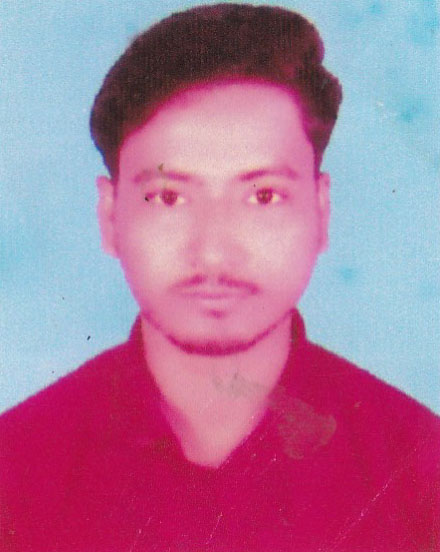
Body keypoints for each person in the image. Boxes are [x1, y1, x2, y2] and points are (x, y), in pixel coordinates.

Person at [1, 4, 438, 551]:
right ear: (109, 216)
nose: (212, 252)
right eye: (168, 197)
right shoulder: (14, 472)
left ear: (321, 211)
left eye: (263, 196)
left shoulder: (420, 474)